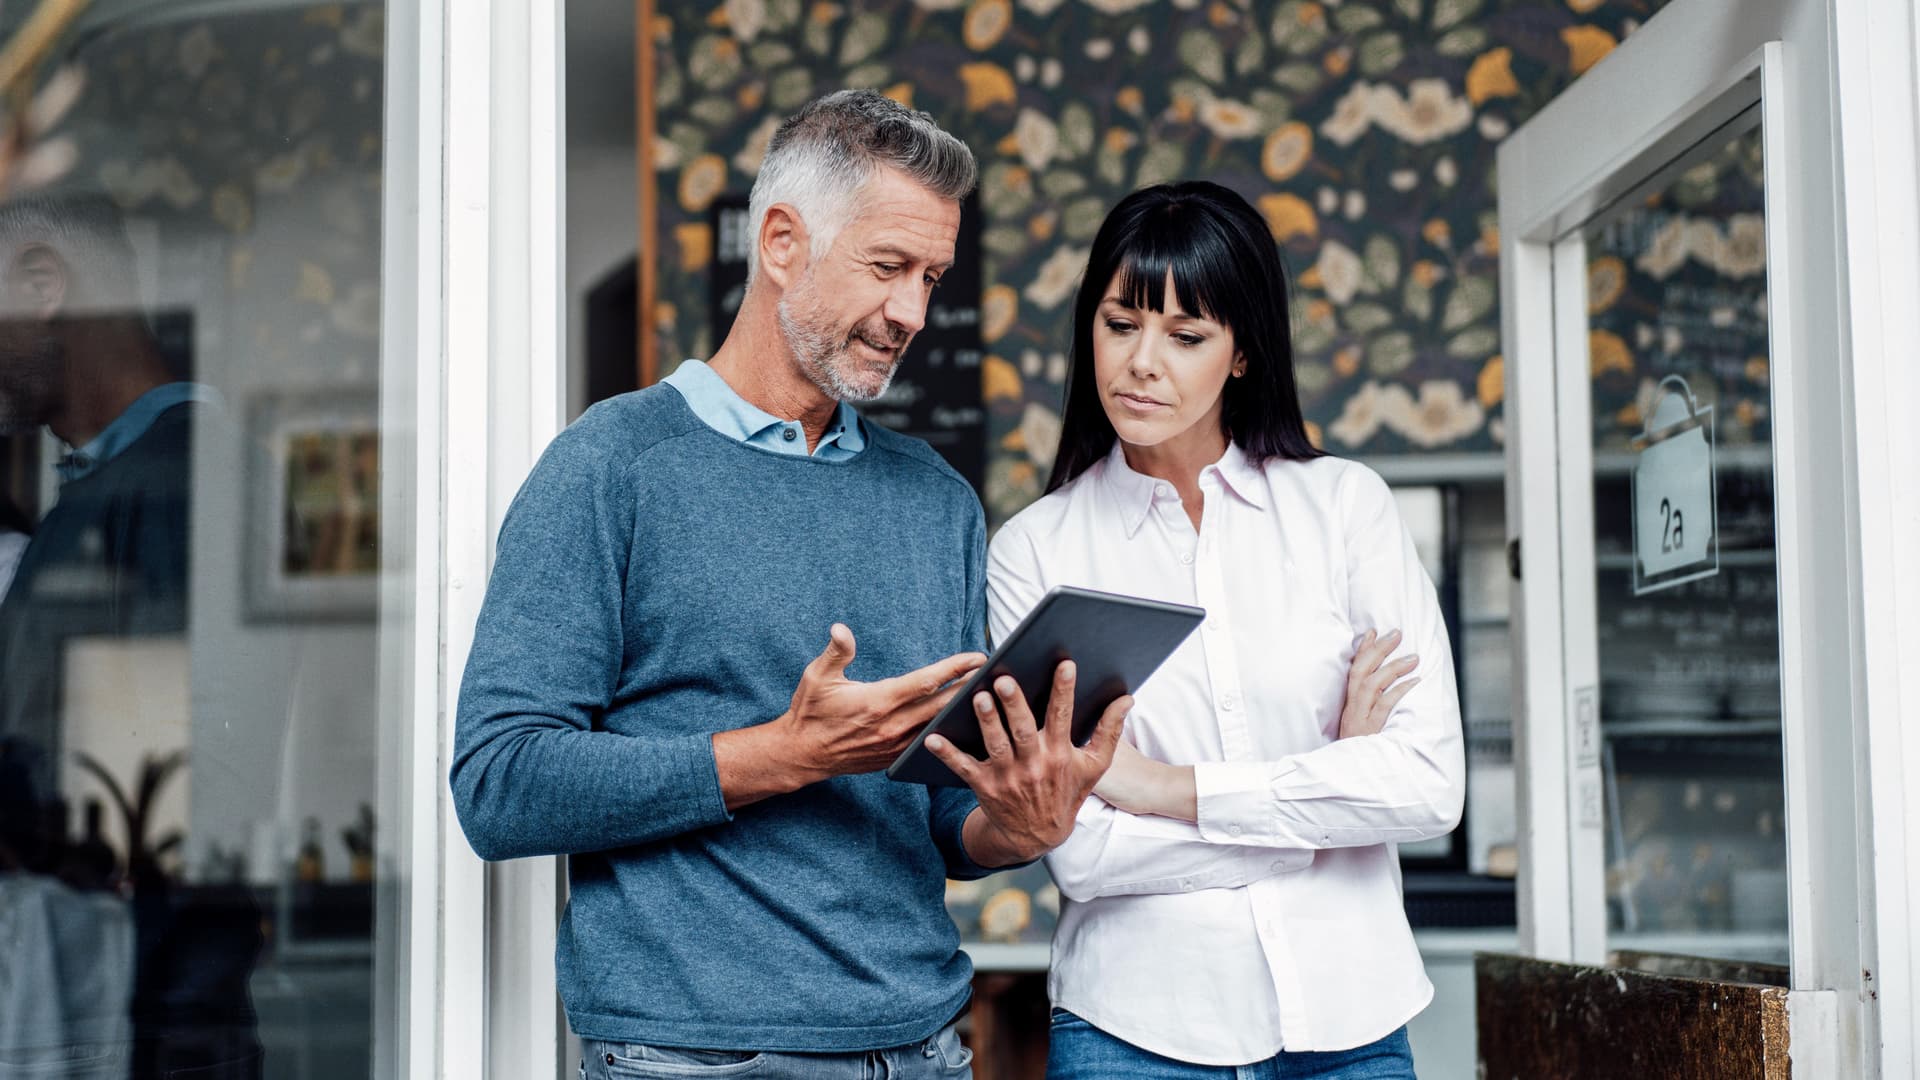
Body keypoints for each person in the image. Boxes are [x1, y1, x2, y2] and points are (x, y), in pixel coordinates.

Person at [450, 90, 1126, 1080]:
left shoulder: (935, 502)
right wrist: (779, 754)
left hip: (924, 1048)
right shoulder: (608, 467)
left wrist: (1014, 824)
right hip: (694, 1058)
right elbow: (499, 785)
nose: (913, 313)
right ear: (780, 242)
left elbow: (939, 821)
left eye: (932, 276)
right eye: (888, 266)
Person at [986, 182, 1465, 1079]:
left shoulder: (1343, 508)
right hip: (1134, 1032)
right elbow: (1084, 855)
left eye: (1187, 336)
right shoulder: (1036, 552)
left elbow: (1430, 786)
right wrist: (1324, 814)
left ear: (1244, 354)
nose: (1141, 363)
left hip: (1349, 1025)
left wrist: (1160, 786)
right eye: (1121, 323)